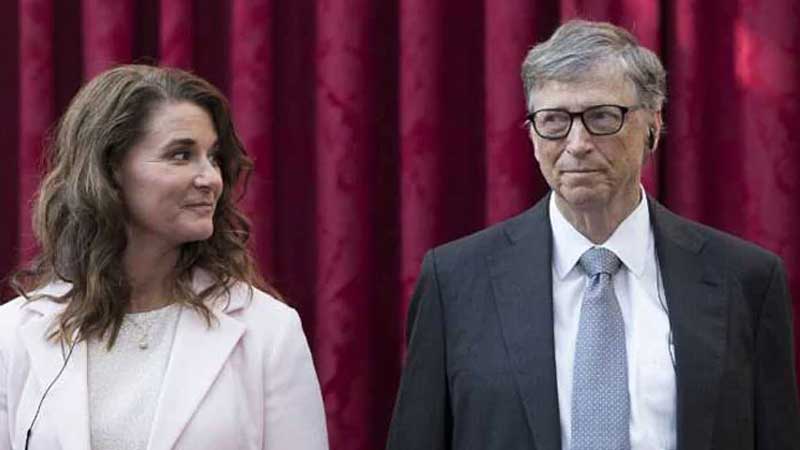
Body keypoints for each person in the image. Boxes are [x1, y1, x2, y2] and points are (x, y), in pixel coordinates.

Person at [386, 20, 800, 450]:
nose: (578, 143)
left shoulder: (744, 281)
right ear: (532, 135)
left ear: (653, 124)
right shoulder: (455, 282)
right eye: (554, 120)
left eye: (602, 117)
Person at [0, 65, 329, 450]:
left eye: (213, 157)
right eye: (181, 155)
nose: (211, 178)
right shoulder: (13, 333)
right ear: (111, 169)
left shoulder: (269, 331)